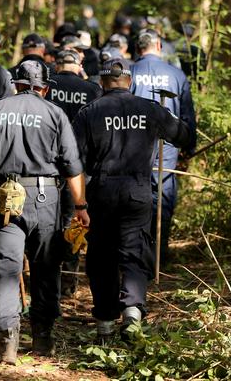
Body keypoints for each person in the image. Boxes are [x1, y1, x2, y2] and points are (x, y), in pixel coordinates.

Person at [0, 59, 90, 364]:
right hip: (46, 198)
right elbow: (73, 167)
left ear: (15, 84)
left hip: (4, 196)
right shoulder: (55, 114)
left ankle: (6, 341)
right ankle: (42, 339)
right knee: (46, 267)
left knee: (5, 268)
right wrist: (81, 207)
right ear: (44, 88)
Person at [72, 58, 191, 339]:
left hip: (101, 193)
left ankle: (105, 323)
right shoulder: (149, 109)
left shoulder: (89, 112)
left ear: (102, 83)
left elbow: (74, 159)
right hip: (138, 192)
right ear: (130, 81)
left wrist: (78, 202)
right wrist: (163, 119)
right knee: (134, 252)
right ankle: (133, 314)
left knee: (101, 256)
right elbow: (183, 135)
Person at [129, 29, 197, 264]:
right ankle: (159, 253)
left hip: (133, 143)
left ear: (139, 48)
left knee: (136, 192)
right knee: (163, 194)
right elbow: (187, 114)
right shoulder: (176, 75)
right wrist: (190, 147)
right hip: (168, 144)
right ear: (158, 46)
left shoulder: (130, 71)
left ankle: (136, 251)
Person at [46, 49, 102, 297]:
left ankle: (47, 273)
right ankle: (68, 279)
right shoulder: (91, 90)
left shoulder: (47, 86)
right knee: (74, 220)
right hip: (80, 165)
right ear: (79, 65)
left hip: (48, 164)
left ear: (57, 65)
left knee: (48, 220)